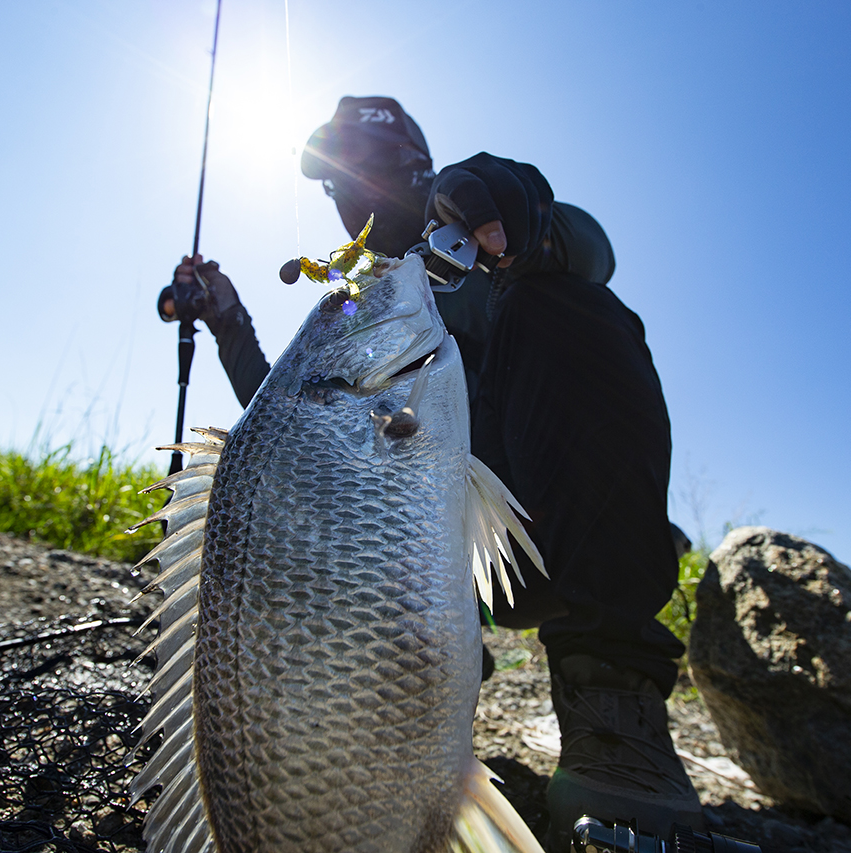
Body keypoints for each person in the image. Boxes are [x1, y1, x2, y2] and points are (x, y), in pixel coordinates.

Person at [158, 96, 703, 849]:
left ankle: (613, 703)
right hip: (429, 562)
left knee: (565, 305)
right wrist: (229, 321)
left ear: (416, 165)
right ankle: (410, 693)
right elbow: (290, 439)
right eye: (336, 181)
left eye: (368, 168)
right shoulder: (364, 295)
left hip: (551, 533)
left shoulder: (476, 234)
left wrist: (518, 218)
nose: (353, 192)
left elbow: (591, 250)